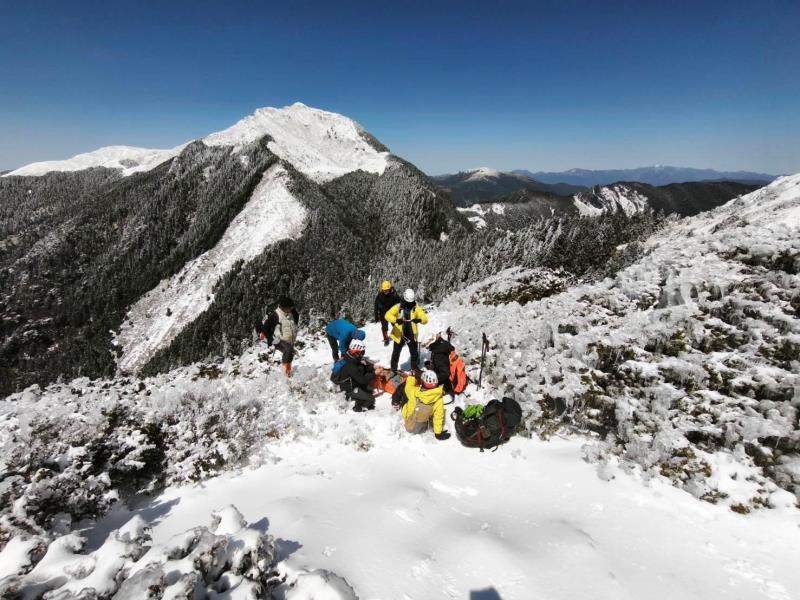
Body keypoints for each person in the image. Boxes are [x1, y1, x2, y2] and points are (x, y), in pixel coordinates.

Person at [385, 288, 428, 373]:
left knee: (414, 353)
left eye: (411, 302)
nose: (410, 304)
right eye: (408, 302)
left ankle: (414, 368)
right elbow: (387, 315)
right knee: (396, 353)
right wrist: (396, 320)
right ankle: (393, 369)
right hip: (399, 334)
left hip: (411, 334)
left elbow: (425, 319)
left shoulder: (416, 308)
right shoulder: (398, 307)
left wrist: (419, 320)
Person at [400, 369, 450, 439]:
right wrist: (438, 433)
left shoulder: (414, 392)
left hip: (409, 424)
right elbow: (438, 416)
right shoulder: (438, 398)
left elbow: (408, 386)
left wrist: (411, 377)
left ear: (422, 382)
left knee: (406, 398)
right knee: (433, 411)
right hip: (421, 428)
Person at [257, 296, 299, 378]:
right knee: (288, 350)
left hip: (290, 340)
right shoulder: (275, 315)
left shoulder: (293, 313)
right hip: (278, 339)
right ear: (283, 307)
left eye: (292, 307)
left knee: (289, 353)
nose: (291, 309)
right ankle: (285, 374)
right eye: (289, 307)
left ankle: (288, 371)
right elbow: (265, 330)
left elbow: (294, 323)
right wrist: (273, 340)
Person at [335, 339, 377, 412]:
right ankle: (357, 406)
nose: (363, 354)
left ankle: (358, 397)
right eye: (362, 352)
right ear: (356, 351)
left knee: (369, 389)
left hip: (350, 382)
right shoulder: (350, 365)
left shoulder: (349, 357)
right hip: (348, 390)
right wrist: (375, 373)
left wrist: (369, 368)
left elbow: (359, 368)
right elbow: (363, 380)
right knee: (371, 399)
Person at [374, 280, 401, 346]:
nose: (386, 292)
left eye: (387, 290)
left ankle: (399, 338)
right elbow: (376, 306)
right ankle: (386, 339)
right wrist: (376, 316)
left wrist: (400, 312)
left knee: (396, 325)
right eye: (384, 290)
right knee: (384, 327)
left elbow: (400, 303)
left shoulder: (394, 295)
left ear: (390, 288)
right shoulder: (380, 296)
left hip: (392, 314)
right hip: (383, 314)